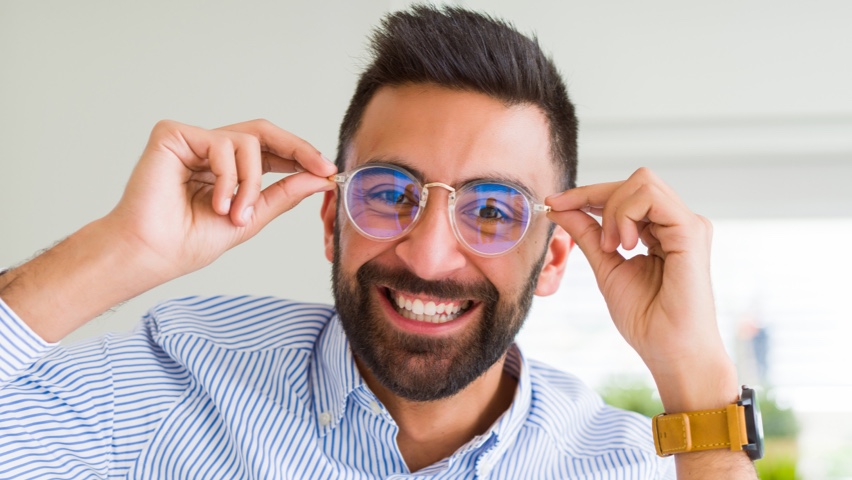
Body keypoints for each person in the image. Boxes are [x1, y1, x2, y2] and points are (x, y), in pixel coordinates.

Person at [0, 6, 757, 479]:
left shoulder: (630, 466)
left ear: (553, 257)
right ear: (331, 220)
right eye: (390, 194)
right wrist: (120, 251)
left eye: (491, 211)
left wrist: (693, 375)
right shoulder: (170, 387)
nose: (429, 258)